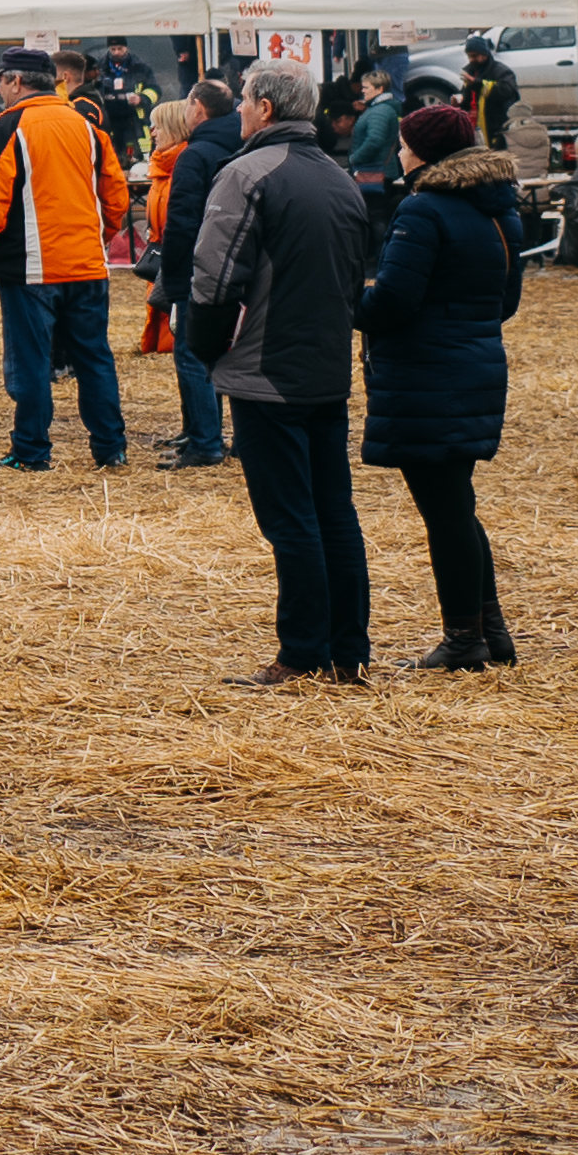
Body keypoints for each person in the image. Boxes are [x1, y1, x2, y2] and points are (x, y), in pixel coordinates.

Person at [180, 62, 372, 687]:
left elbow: (213, 278)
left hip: (266, 368)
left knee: (289, 517)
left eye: (243, 104)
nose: (238, 112)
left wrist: (207, 352)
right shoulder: (340, 179)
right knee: (333, 511)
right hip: (324, 366)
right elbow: (352, 281)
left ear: (263, 108)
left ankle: (301, 652)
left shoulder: (246, 173)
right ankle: (348, 650)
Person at [361, 106, 521, 674]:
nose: (399, 153)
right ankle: (489, 629)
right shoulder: (500, 211)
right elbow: (506, 303)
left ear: (425, 152)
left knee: (445, 511)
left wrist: (342, 303)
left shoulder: (423, 210)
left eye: (404, 144)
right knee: (458, 505)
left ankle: (463, 639)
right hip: (476, 364)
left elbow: (392, 303)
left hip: (427, 375)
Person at [0, 49, 133, 472]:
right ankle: (111, 448)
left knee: (32, 362)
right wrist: (101, 237)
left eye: (1, 82)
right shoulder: (86, 125)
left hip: (33, 268)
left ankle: (31, 450)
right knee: (94, 357)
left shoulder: (11, 126)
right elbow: (116, 197)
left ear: (17, 83)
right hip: (88, 263)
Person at [147, 85, 248, 468]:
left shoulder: (196, 156)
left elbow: (184, 224)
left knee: (192, 354)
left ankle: (206, 442)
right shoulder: (240, 146)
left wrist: (173, 279)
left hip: (199, 271)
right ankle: (222, 437)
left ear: (197, 108)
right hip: (239, 267)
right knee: (232, 354)